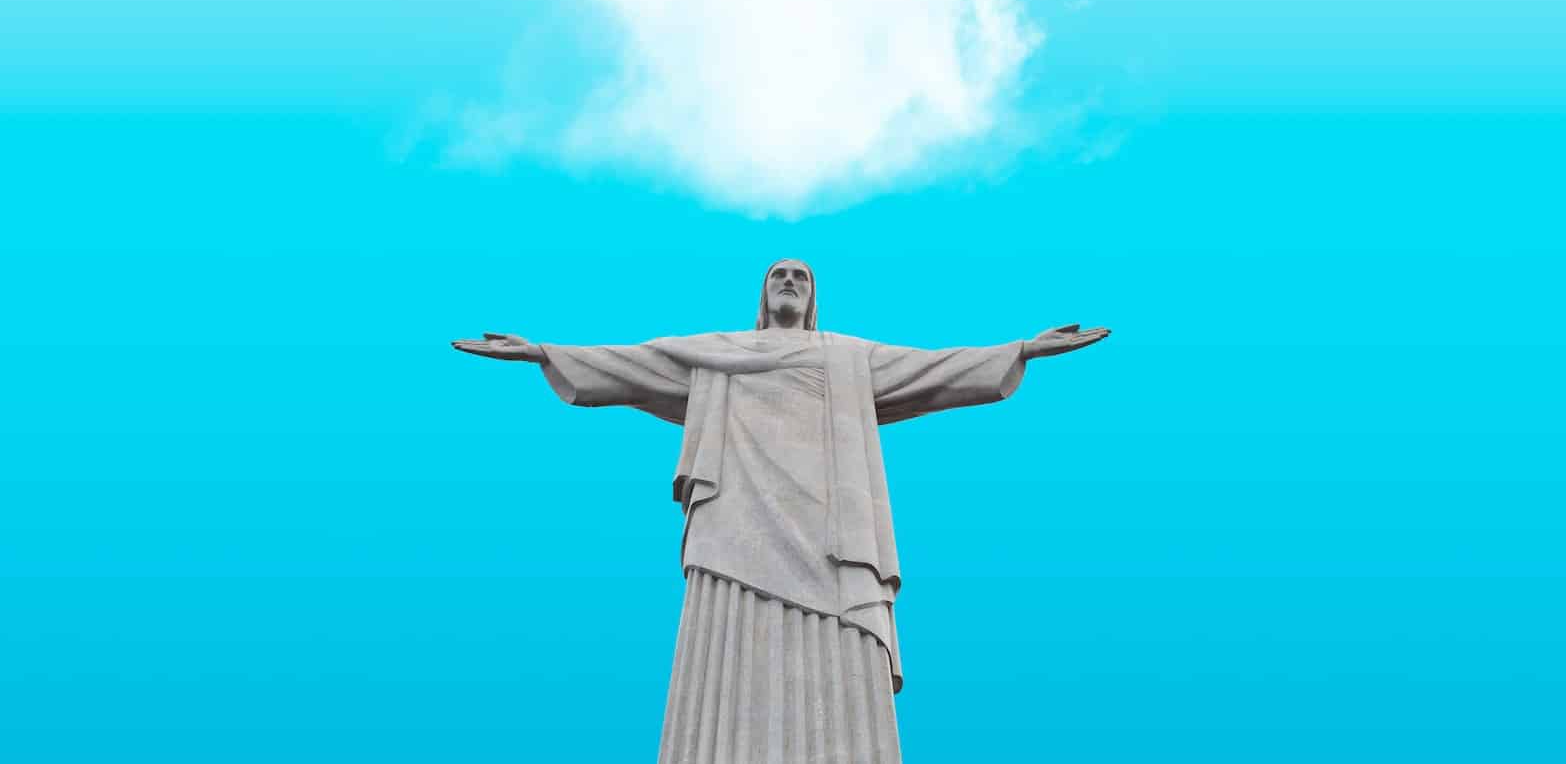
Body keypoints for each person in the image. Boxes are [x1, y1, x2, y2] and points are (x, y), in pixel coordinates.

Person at [453, 259, 1109, 763]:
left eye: (801, 276)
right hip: (734, 523)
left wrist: (1021, 350)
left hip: (832, 534)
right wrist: (543, 353)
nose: (789, 281)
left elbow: (934, 369)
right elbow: (635, 362)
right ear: (763, 296)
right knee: (723, 655)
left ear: (812, 297)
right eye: (778, 275)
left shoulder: (847, 356)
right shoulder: (718, 351)